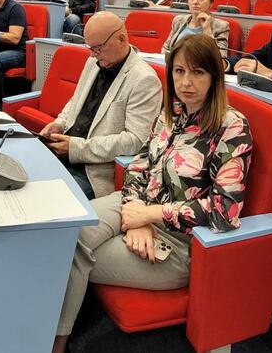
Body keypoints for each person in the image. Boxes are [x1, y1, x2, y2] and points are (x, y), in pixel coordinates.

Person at [52, 34, 253, 352]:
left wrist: (151, 215)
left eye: (198, 72)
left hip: (180, 241)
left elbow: (224, 210)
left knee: (71, 253)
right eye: (179, 72)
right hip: (135, 206)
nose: (186, 82)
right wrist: (137, 215)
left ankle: (55, 344)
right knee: (60, 234)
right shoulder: (171, 113)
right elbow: (138, 167)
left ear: (215, 76)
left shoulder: (231, 127)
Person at [36, 12, 162, 199]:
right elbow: (75, 100)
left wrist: (76, 148)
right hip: (64, 151)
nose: (93, 55)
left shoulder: (144, 80)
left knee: (46, 198)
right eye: (90, 48)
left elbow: (136, 140)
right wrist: (60, 123)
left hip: (92, 172)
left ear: (121, 39)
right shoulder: (93, 62)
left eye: (98, 48)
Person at [161, 0, 229, 66]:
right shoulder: (179, 20)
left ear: (211, 3)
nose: (195, 2)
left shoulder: (221, 26)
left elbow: (218, 61)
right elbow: (166, 48)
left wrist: (206, 30)